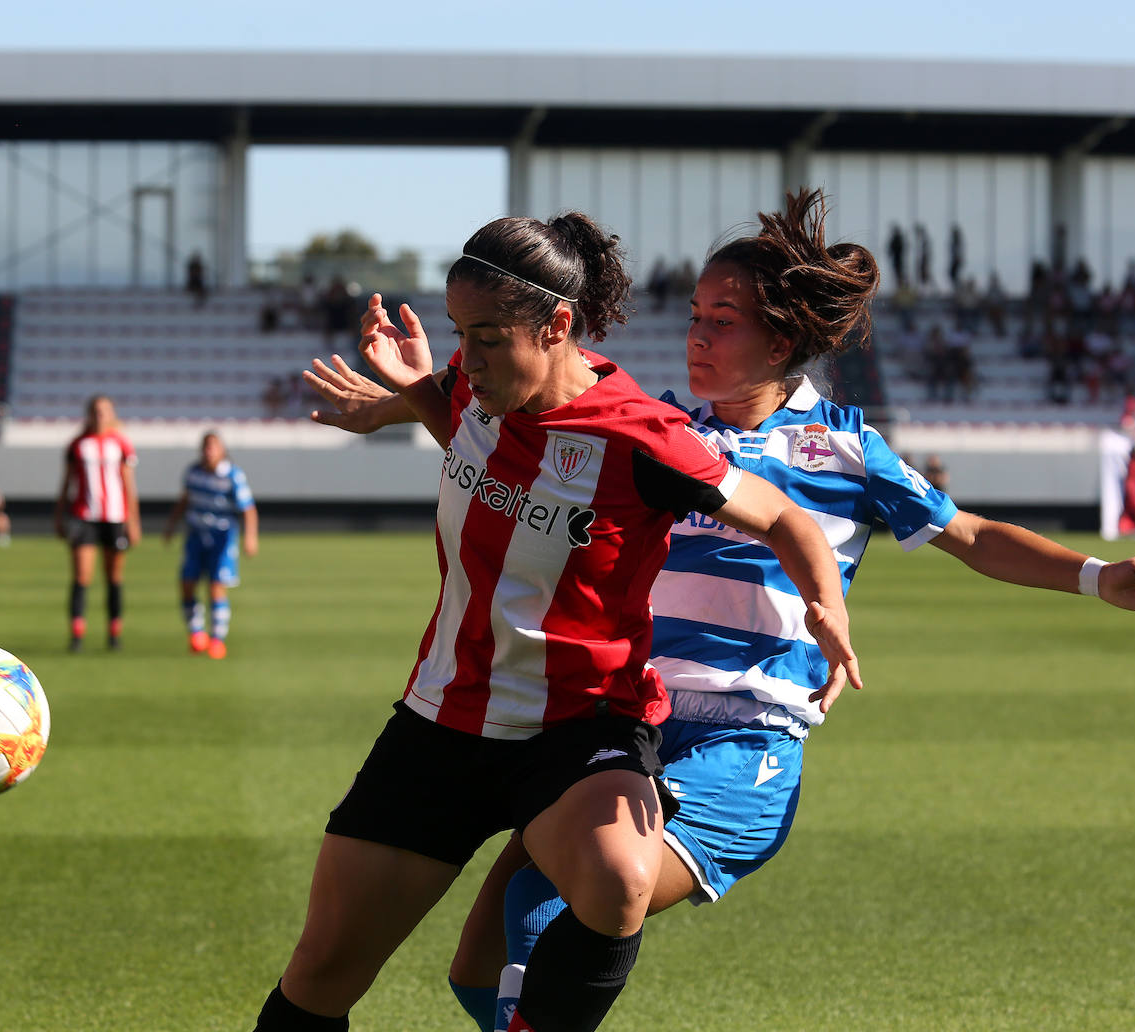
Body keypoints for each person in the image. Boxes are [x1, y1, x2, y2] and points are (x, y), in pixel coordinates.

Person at [304, 190, 1135, 1032]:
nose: (696, 336)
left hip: (741, 742)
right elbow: (509, 459)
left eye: (721, 322)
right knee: (477, 968)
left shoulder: (844, 446)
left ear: (784, 341)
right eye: (693, 315)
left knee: (557, 904)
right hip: (619, 728)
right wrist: (401, 402)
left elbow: (973, 535)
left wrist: (1097, 575)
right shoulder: (660, 431)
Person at [252, 211, 864, 1032]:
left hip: (579, 725)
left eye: (488, 337)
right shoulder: (478, 387)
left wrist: (826, 605)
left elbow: (785, 519)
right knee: (321, 975)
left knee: (619, 881)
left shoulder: (646, 437)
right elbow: (471, 433)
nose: (467, 358)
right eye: (459, 335)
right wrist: (405, 395)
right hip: (444, 720)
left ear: (559, 325)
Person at [52, 395, 140, 651]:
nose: (100, 415)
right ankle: (77, 634)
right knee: (81, 576)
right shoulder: (78, 445)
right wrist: (59, 515)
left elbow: (128, 484)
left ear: (112, 414)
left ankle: (114, 634)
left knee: (114, 577)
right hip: (83, 516)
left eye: (105, 411)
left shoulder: (121, 444)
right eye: (96, 411)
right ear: (89, 414)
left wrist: (134, 520)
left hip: (115, 517)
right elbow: (67, 482)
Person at [161, 431, 258, 660]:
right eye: (205, 446)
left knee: (216, 586)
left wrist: (250, 537)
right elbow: (184, 500)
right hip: (196, 534)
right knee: (187, 583)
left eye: (213, 446)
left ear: (221, 450)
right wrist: (171, 526)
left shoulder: (232, 475)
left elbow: (248, 509)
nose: (208, 451)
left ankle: (217, 640)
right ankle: (196, 633)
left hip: (222, 537)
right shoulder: (193, 473)